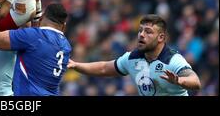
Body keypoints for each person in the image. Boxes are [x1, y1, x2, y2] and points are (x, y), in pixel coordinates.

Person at [68, 14, 202, 96]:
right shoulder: (132, 58)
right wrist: (76, 65)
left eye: (148, 32)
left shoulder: (172, 60)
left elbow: (195, 81)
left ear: (161, 37)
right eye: (140, 30)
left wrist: (179, 80)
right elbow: (103, 68)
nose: (142, 34)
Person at [0, 0, 71, 96]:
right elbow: (37, 50)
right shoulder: (66, 46)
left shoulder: (34, 37)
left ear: (43, 18)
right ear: (63, 26)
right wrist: (37, 17)